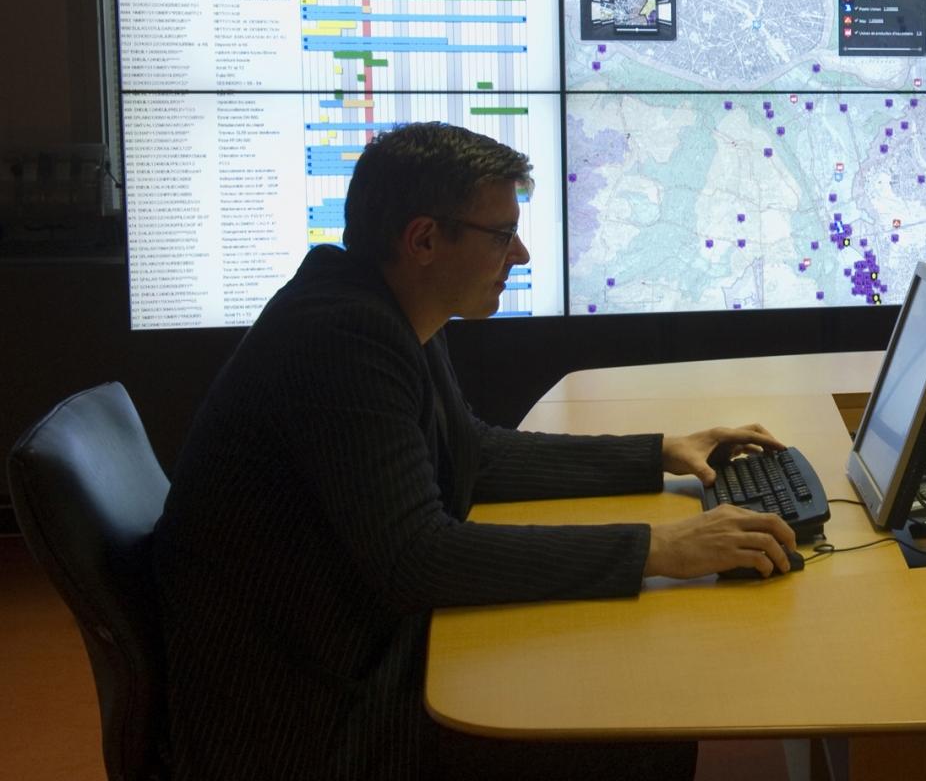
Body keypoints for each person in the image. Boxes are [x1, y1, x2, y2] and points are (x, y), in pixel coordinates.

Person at [152, 122, 797, 781]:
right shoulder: (341, 338)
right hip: (304, 718)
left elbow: (473, 453)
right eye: (501, 234)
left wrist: (659, 452)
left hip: (342, 646)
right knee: (639, 721)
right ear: (424, 240)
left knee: (610, 653)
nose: (520, 253)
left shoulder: (384, 305)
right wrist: (657, 548)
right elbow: (417, 558)